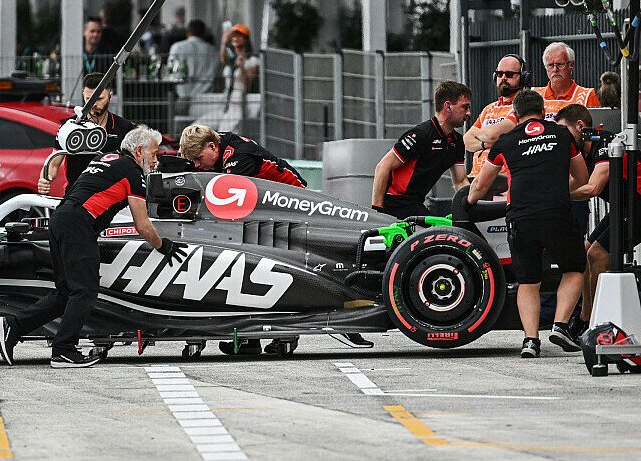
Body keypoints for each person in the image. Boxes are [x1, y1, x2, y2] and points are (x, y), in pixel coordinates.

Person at [0, 126, 189, 368]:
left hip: (61, 219)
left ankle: (14, 325)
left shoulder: (106, 158)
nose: (155, 160)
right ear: (139, 151)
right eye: (153, 154)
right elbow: (143, 225)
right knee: (84, 291)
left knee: (66, 292)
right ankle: (63, 351)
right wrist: (164, 246)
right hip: (78, 225)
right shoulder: (132, 173)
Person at [178, 124, 373, 352]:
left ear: (212, 146)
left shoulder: (238, 156)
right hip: (267, 212)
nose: (198, 165)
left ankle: (287, 333)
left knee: (280, 268)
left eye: (199, 159)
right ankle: (250, 338)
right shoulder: (216, 145)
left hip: (294, 209)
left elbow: (229, 205)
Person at [468, 90, 588, 358]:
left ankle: (531, 342)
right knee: (575, 267)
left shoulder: (505, 141)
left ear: (515, 114)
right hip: (557, 213)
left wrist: (470, 200)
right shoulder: (562, 135)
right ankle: (560, 325)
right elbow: (581, 178)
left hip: (521, 217)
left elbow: (480, 184)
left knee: (528, 280)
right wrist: (555, 189)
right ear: (544, 111)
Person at [555, 104, 616, 338]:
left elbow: (592, 187)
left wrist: (558, 196)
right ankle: (585, 319)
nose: (562, 139)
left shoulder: (604, 142)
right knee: (584, 253)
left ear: (580, 126)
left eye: (564, 131)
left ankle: (595, 322)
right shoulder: (582, 153)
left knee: (597, 255)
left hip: (637, 205)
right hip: (624, 208)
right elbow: (574, 184)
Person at [372, 81, 471, 219]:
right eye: (464, 107)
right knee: (441, 234)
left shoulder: (457, 142)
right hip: (394, 206)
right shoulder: (421, 135)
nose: (469, 113)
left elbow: (460, 181)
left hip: (416, 205)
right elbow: (382, 167)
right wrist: (377, 213)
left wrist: (472, 203)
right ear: (448, 106)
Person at [38, 72, 136, 194]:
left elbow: (135, 166)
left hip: (112, 196)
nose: (94, 104)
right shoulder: (70, 126)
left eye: (99, 99)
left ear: (110, 96)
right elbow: (53, 164)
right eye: (89, 99)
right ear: (83, 95)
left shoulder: (124, 127)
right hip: (76, 195)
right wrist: (45, 179)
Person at [464, 54, 528, 178]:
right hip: (476, 178)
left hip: (503, 181)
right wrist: (487, 144)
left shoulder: (524, 106)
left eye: (509, 74)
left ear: (523, 78)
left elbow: (492, 135)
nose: (503, 78)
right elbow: (467, 140)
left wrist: (480, 136)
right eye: (499, 74)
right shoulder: (489, 109)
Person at [192, 23, 259, 133]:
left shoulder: (252, 61)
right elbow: (223, 58)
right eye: (233, 35)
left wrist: (242, 66)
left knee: (225, 134)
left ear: (246, 39)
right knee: (196, 128)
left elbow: (247, 84)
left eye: (239, 35)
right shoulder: (231, 59)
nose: (235, 38)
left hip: (238, 102)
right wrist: (223, 42)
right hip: (225, 103)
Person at [167, 19, 219, 114]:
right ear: (203, 33)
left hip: (184, 96)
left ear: (188, 32)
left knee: (180, 125)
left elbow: (171, 71)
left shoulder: (177, 47)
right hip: (206, 99)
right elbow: (217, 72)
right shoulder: (212, 50)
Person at [532, 42, 600, 108]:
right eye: (550, 65)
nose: (555, 69)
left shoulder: (587, 96)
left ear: (572, 65)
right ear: (545, 67)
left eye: (560, 64)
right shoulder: (534, 96)